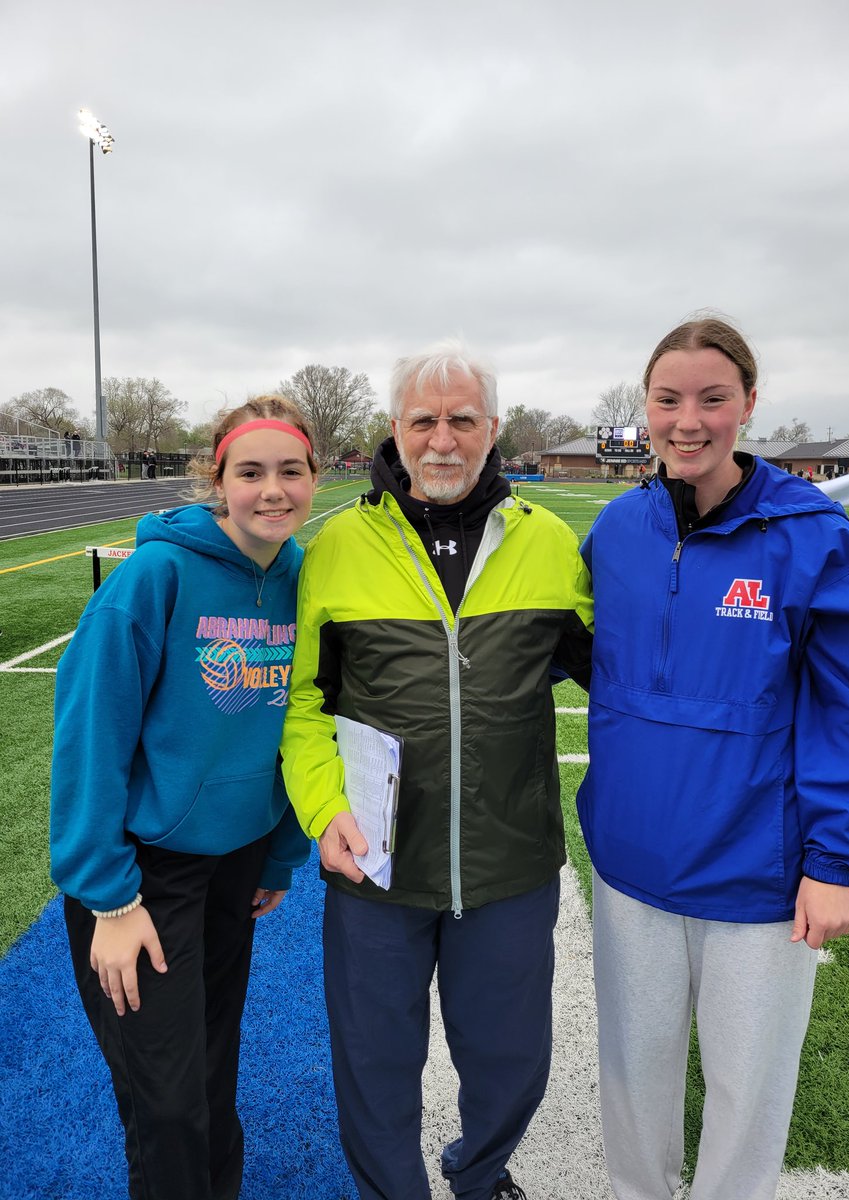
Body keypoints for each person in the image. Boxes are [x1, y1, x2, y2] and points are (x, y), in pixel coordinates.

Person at [577, 318, 849, 1200]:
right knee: (633, 1088)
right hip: (632, 867)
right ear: (643, 408)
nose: (689, 421)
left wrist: (836, 860)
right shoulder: (615, 531)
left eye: (713, 400)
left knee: (747, 1100)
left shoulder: (816, 539)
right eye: (669, 399)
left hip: (759, 881)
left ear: (748, 406)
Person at [280, 339, 593, 1200]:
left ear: (494, 428)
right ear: (395, 428)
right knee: (375, 1069)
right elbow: (304, 704)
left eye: (462, 419)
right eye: (424, 420)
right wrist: (320, 810)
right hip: (377, 867)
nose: (443, 440)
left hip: (511, 864)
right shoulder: (336, 547)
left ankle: (480, 1172)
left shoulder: (552, 544)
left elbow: (627, 675)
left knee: (512, 1062)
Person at [50, 395, 317, 1200]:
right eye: (251, 472)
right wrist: (109, 896)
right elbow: (90, 732)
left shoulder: (304, 575)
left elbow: (295, 721)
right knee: (164, 1100)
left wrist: (278, 851)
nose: (272, 490)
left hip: (235, 865)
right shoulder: (157, 575)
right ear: (218, 478)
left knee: (210, 1072)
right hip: (145, 878)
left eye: (291, 471)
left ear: (314, 476)